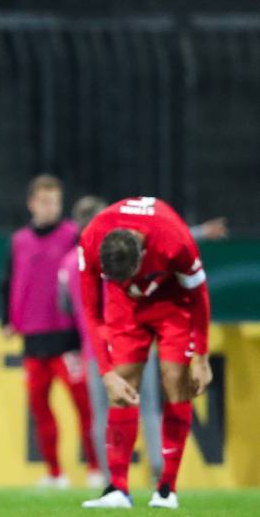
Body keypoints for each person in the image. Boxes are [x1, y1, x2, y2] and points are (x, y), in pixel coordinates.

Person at [67, 197, 229, 488]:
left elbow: (199, 297)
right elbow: (89, 312)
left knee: (156, 398)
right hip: (123, 321)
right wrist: (106, 372)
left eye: (127, 280)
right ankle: (114, 484)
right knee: (118, 403)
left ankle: (163, 478)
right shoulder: (90, 239)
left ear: (143, 256)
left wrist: (201, 358)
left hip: (167, 305)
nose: (125, 288)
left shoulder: (173, 240)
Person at [0, 175, 101, 488]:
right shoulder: (19, 241)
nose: (49, 207)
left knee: (85, 408)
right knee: (41, 411)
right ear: (31, 203)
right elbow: (7, 282)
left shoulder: (73, 236)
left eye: (54, 201)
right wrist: (6, 319)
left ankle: (97, 469)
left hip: (67, 337)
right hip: (33, 338)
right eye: (43, 201)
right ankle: (55, 473)